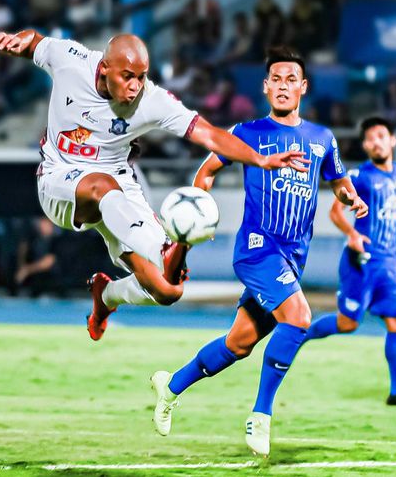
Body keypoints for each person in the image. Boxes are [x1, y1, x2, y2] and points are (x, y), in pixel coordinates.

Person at [0, 29, 306, 341]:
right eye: (128, 76)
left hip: (117, 189)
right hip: (59, 180)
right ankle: (165, 250)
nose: (136, 86)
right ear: (105, 68)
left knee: (168, 288)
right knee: (100, 186)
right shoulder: (72, 60)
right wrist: (15, 41)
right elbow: (34, 42)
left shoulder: (152, 100)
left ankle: (107, 295)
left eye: (142, 76)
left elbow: (209, 133)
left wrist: (260, 160)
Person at [148, 46, 368, 457]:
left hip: (292, 258)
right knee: (299, 319)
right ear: (266, 87)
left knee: (239, 344)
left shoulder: (322, 139)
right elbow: (208, 170)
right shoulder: (246, 133)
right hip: (256, 250)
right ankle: (261, 415)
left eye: (291, 80)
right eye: (276, 79)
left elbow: (338, 181)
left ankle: (171, 385)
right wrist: (194, 209)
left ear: (303, 88)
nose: (283, 86)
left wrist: (351, 199)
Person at [304, 117, 396, 407]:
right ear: (365, 146)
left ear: (392, 140)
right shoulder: (359, 177)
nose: (376, 142)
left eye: (381, 135)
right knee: (347, 324)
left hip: (390, 263)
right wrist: (352, 234)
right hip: (362, 261)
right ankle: (300, 333)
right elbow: (336, 212)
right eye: (370, 138)